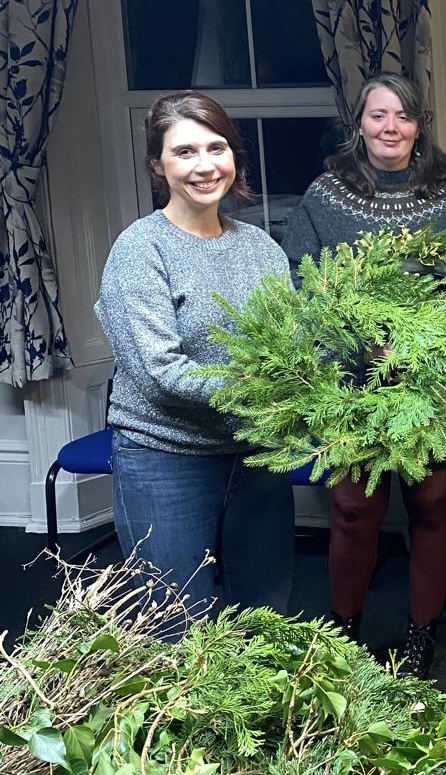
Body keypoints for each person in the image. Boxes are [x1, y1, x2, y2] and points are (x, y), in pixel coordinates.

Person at [283, 73, 446, 679]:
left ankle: (422, 637)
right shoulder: (325, 196)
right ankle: (343, 638)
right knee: (353, 509)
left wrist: (423, 341)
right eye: (378, 115)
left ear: (419, 125)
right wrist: (354, 341)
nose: (390, 127)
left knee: (432, 505)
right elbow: (300, 281)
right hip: (350, 381)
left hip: (434, 378)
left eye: (403, 115)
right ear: (359, 124)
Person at [95, 92, 295, 637]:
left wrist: (357, 354)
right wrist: (260, 386)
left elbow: (292, 344)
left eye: (216, 148)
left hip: (255, 456)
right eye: (185, 152)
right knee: (177, 625)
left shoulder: (260, 248)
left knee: (265, 620)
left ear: (234, 157)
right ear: (158, 166)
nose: (205, 166)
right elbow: (158, 371)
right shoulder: (141, 250)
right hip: (166, 460)